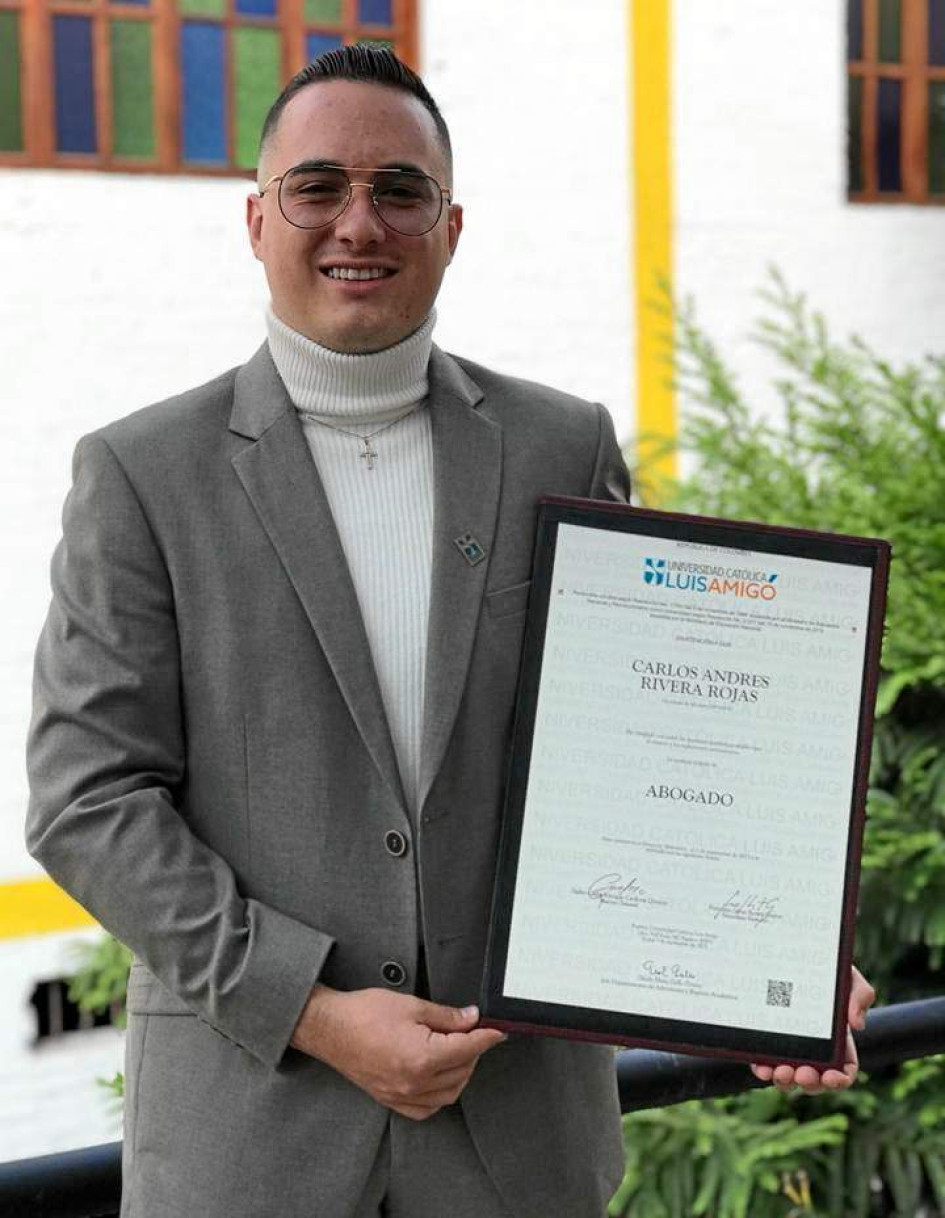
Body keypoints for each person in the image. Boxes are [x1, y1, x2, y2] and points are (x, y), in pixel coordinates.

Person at [25, 46, 874, 1218]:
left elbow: (637, 743)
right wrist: (315, 1011)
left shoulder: (559, 445)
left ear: (453, 223)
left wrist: (762, 962)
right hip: (253, 1143)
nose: (358, 223)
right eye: (317, 187)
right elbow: (88, 799)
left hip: (515, 1142)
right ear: (258, 220)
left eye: (400, 190)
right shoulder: (140, 473)